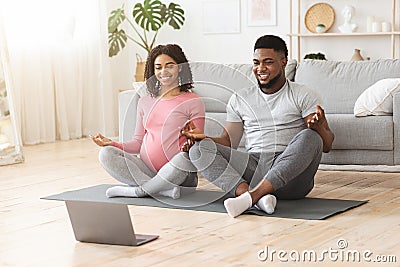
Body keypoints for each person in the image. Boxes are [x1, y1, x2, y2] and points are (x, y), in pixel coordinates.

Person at [181, 35, 334, 217]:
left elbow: (327, 145)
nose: (260, 68)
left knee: (310, 137)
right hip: (255, 168)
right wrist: (204, 138)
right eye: (256, 62)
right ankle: (257, 198)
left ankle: (251, 197)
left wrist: (319, 128)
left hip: (292, 178)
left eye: (268, 62)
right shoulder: (240, 98)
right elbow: (228, 142)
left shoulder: (303, 94)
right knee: (198, 150)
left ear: (283, 62)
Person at [91, 44, 205, 199]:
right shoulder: (145, 101)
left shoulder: (193, 101)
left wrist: (191, 142)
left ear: (180, 68)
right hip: (147, 170)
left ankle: (139, 191)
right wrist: (112, 143)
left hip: (179, 175)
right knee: (106, 153)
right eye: (158, 67)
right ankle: (159, 189)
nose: (163, 71)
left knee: (184, 159)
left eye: (169, 66)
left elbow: (197, 144)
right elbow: (137, 143)